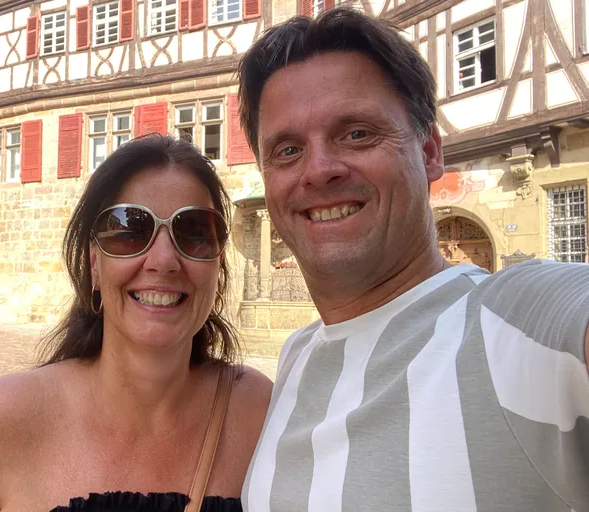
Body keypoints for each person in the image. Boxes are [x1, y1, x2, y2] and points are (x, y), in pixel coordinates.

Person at [236, 8, 589, 511]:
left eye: (356, 133)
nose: (318, 170)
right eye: (287, 150)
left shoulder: (513, 324)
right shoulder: (295, 359)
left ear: (428, 152)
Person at [0, 135, 273, 511]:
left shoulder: (256, 413)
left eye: (195, 232)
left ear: (218, 266)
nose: (163, 260)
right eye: (129, 231)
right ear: (93, 265)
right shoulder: (3, 421)